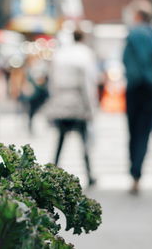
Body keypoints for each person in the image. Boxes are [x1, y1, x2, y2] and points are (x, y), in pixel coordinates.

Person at [123, 0, 152, 194]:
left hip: (134, 89)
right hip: (150, 90)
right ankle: (137, 171)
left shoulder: (132, 34)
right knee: (144, 132)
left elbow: (125, 60)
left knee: (133, 131)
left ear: (137, 16)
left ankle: (134, 170)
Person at [46, 30, 99, 186]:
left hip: (61, 102)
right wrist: (91, 108)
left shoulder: (60, 55)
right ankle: (89, 174)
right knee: (84, 141)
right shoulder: (85, 55)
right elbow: (88, 84)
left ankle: (52, 170)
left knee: (60, 140)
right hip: (78, 104)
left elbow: (52, 82)